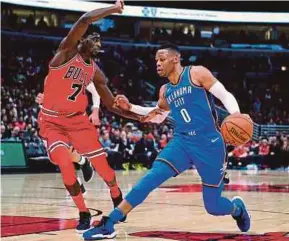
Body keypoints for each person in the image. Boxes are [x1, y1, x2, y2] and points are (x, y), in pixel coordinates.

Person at [83, 43, 251, 240]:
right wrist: (131, 107)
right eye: (156, 60)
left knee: (213, 206)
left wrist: (236, 115)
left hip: (210, 144)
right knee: (149, 180)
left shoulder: (196, 73)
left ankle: (237, 209)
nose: (158, 63)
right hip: (182, 142)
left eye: (162, 59)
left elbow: (224, 95)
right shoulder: (165, 91)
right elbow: (157, 115)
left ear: (175, 58)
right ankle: (109, 223)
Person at [38, 0, 142, 233]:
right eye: (93, 38)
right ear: (82, 41)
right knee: (64, 164)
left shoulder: (95, 72)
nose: (96, 42)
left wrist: (139, 118)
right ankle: (83, 213)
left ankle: (116, 195)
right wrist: (114, 9)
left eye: (99, 41)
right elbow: (85, 20)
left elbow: (111, 105)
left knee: (104, 169)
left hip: (77, 121)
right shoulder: (65, 53)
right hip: (52, 121)